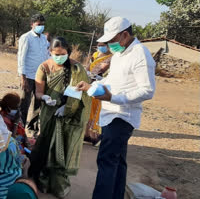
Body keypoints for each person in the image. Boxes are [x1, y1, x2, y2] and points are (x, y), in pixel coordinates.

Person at [77, 17, 156, 199]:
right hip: (111, 113)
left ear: (125, 35)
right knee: (117, 161)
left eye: (112, 41)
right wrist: (93, 85)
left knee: (106, 161)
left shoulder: (140, 55)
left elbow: (147, 90)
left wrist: (114, 97)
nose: (109, 45)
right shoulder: (120, 54)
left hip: (121, 116)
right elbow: (113, 81)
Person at [28, 37, 91, 198]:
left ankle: (57, 184)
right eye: (56, 54)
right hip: (49, 114)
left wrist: (67, 108)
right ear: (50, 52)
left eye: (63, 54)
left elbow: (84, 93)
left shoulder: (77, 69)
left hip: (68, 116)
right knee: (44, 145)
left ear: (68, 52)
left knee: (62, 149)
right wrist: (44, 99)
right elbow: (38, 92)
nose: (59, 57)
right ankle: (39, 180)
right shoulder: (44, 67)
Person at [17, 14, 49, 130]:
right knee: (25, 102)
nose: (41, 27)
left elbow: (46, 55)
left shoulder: (44, 39)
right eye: (39, 24)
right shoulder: (26, 37)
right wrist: (23, 77)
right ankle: (20, 127)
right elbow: (21, 58)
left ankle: (33, 127)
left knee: (39, 103)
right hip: (29, 75)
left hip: (41, 76)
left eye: (43, 24)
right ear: (32, 24)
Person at [84, 43, 113, 145]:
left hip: (101, 86)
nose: (100, 47)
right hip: (90, 84)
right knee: (89, 109)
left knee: (97, 110)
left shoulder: (111, 58)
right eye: (99, 45)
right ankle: (86, 135)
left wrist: (98, 77)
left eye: (103, 45)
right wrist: (86, 73)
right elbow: (88, 67)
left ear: (108, 45)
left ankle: (94, 136)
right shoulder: (95, 55)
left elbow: (102, 70)